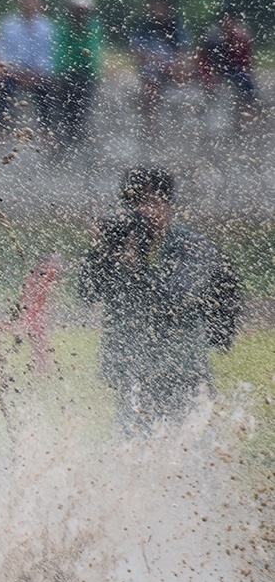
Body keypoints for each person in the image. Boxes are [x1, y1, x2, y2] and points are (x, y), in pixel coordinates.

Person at [78, 168, 240, 434]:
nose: (143, 211)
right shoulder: (119, 241)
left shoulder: (191, 245)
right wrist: (100, 253)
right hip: (131, 372)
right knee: (133, 455)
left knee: (187, 456)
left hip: (180, 372)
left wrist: (136, 267)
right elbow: (87, 293)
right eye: (134, 203)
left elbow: (177, 298)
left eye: (151, 202)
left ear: (169, 206)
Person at [0, 0, 54, 139]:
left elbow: (48, 55)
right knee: (2, 87)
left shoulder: (47, 27)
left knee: (47, 89)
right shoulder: (9, 25)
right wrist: (17, 72)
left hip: (38, 73)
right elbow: (4, 53)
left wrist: (36, 72)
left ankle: (46, 129)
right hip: (15, 72)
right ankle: (0, 127)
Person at [51, 0, 103, 148]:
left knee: (82, 112)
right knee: (64, 111)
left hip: (86, 75)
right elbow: (60, 52)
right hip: (66, 74)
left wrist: (90, 71)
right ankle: (63, 144)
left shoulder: (93, 26)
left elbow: (93, 53)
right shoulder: (63, 25)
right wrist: (61, 72)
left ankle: (79, 143)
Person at [131, 0, 187, 129]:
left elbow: (184, 52)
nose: (158, 9)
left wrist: (173, 65)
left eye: (161, 6)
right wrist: (156, 62)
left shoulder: (175, 27)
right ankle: (152, 123)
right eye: (155, 6)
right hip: (152, 69)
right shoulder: (145, 28)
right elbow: (139, 52)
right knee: (151, 83)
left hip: (172, 69)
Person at [194, 11, 257, 128]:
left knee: (246, 86)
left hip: (234, 72)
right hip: (216, 72)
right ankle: (203, 124)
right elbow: (203, 60)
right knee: (205, 94)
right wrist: (208, 76)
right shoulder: (212, 38)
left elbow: (245, 63)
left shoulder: (240, 37)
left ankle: (245, 122)